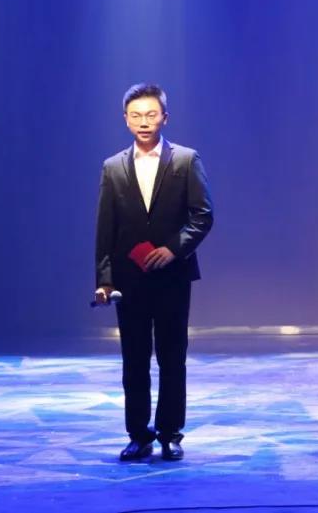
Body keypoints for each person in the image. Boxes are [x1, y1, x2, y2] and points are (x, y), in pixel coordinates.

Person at [94, 83, 214, 461]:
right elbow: (106, 228)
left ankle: (170, 433)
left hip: (172, 276)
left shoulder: (185, 160)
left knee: (172, 357)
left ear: (165, 117)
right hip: (128, 280)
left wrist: (173, 249)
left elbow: (203, 215)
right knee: (134, 359)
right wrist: (104, 280)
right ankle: (138, 434)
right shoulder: (113, 167)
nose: (144, 122)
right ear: (126, 120)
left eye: (151, 114)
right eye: (136, 116)